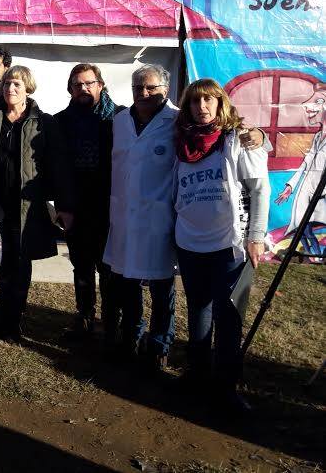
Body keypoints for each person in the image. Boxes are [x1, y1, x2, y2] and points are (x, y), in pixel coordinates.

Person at [103, 65, 265, 372]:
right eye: (138, 87)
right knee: (155, 292)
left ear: (165, 90)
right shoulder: (133, 123)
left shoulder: (185, 124)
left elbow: (258, 181)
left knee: (173, 290)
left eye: (151, 87)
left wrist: (260, 135)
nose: (143, 93)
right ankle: (158, 352)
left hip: (189, 228)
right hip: (157, 228)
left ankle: (165, 348)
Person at [174, 79, 269, 413]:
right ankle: (197, 373)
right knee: (198, 309)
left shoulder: (238, 138)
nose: (202, 107)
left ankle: (225, 386)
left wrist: (256, 236)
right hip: (189, 241)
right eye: (195, 101)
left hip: (230, 244)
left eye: (209, 100)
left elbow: (260, 190)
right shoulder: (182, 142)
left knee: (228, 315)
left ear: (220, 103)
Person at [0, 65, 59, 342]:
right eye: (7, 84)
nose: (11, 89)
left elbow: (55, 164)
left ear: (28, 87)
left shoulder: (43, 122)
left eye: (16, 84)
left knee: (20, 260)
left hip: (26, 205)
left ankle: (13, 318)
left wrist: (57, 200)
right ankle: (7, 305)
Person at [54, 64, 124, 342]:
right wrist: (63, 207)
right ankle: (84, 316)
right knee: (81, 266)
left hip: (111, 205)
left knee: (109, 268)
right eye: (77, 84)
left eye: (89, 83)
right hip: (77, 206)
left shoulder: (121, 118)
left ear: (100, 85)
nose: (83, 88)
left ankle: (110, 321)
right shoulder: (61, 121)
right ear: (70, 89)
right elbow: (59, 169)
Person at [275, 86, 326, 258]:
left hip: (320, 192)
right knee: (301, 226)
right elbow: (306, 162)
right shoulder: (318, 137)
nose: (308, 106)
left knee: (309, 225)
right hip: (306, 189)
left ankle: (317, 255)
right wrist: (290, 186)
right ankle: (313, 254)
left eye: (318, 101)